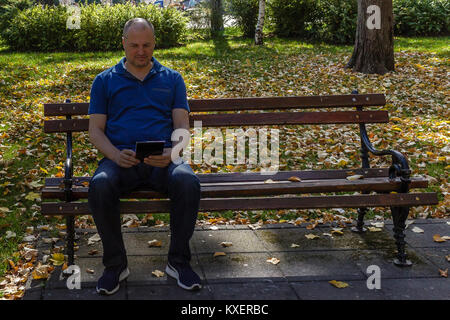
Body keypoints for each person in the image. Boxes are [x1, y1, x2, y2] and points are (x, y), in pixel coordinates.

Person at [87, 18, 201, 295]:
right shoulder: (104, 81)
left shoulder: (172, 79)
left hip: (162, 160)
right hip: (121, 160)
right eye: (134, 45)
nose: (141, 51)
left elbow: (182, 127)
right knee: (99, 184)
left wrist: (172, 152)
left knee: (188, 181)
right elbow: (95, 131)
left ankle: (178, 262)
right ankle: (115, 266)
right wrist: (114, 155)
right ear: (123, 43)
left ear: (154, 44)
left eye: (146, 45)